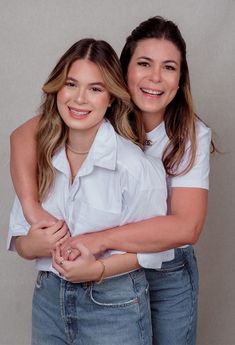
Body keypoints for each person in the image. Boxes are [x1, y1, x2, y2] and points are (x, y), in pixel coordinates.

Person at [9, 16, 213, 345]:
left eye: (169, 67)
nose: (155, 78)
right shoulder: (94, 112)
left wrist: (99, 242)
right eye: (144, 63)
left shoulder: (189, 134)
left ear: (180, 78)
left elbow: (186, 227)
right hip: (91, 278)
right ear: (123, 72)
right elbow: (24, 136)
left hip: (164, 269)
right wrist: (34, 212)